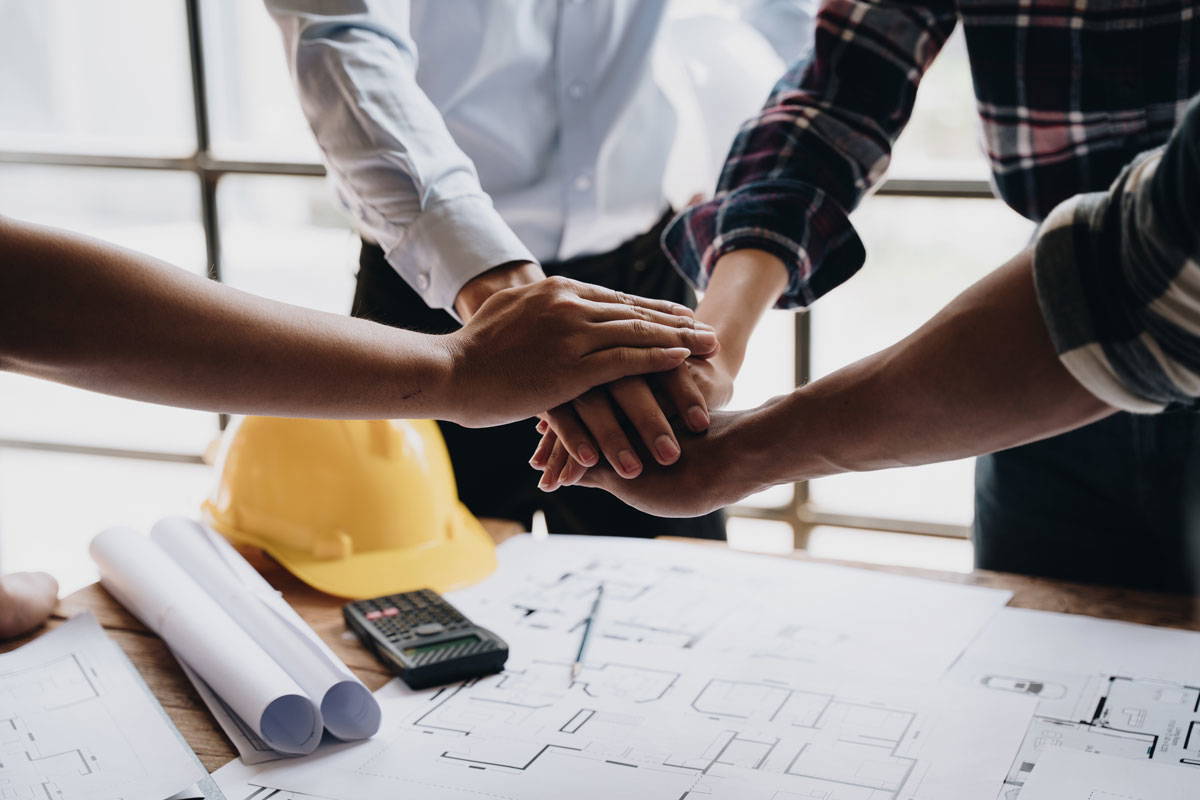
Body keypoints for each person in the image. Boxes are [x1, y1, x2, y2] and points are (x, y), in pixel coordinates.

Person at [534, 0, 1200, 590]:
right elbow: (840, 91)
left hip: (1056, 331)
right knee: (1033, 680)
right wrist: (711, 346)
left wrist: (744, 453)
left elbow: (1138, 273)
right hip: (1037, 354)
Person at [0, 214, 717, 637]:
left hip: (635, 256)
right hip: (427, 271)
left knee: (669, 616)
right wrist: (459, 364)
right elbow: (29, 299)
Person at [264, 0, 816, 540]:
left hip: (641, 276)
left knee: (669, 597)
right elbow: (342, 36)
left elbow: (784, 25)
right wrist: (498, 285)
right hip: (429, 286)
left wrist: (734, 163)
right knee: (417, 597)